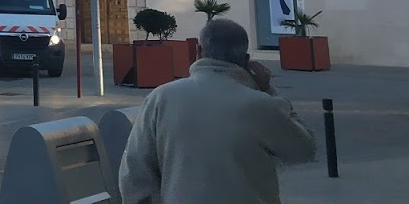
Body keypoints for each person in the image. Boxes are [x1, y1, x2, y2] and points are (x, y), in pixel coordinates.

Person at [119, 18, 316, 204]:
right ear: (246, 60)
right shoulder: (261, 104)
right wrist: (270, 92)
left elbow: (135, 171)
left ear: (198, 51)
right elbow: (303, 150)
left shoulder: (161, 97)